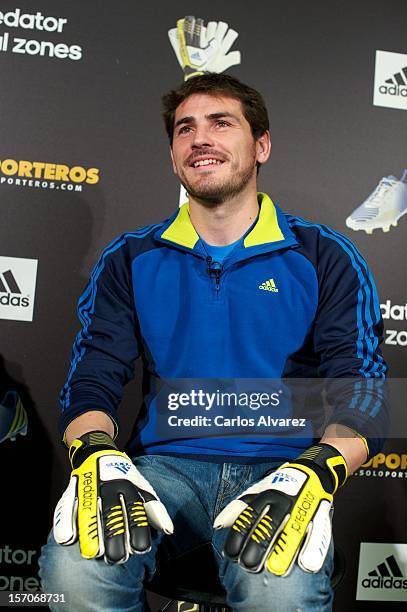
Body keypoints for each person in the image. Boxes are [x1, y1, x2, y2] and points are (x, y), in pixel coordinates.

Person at [39, 74, 387, 611]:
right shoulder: (130, 258)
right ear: (174, 154)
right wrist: (94, 455)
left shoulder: (325, 256)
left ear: (261, 145)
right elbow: (92, 381)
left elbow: (362, 392)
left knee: (283, 591)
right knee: (78, 567)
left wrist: (315, 472)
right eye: (185, 129)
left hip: (282, 472)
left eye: (221, 123)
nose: (200, 138)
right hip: (161, 473)